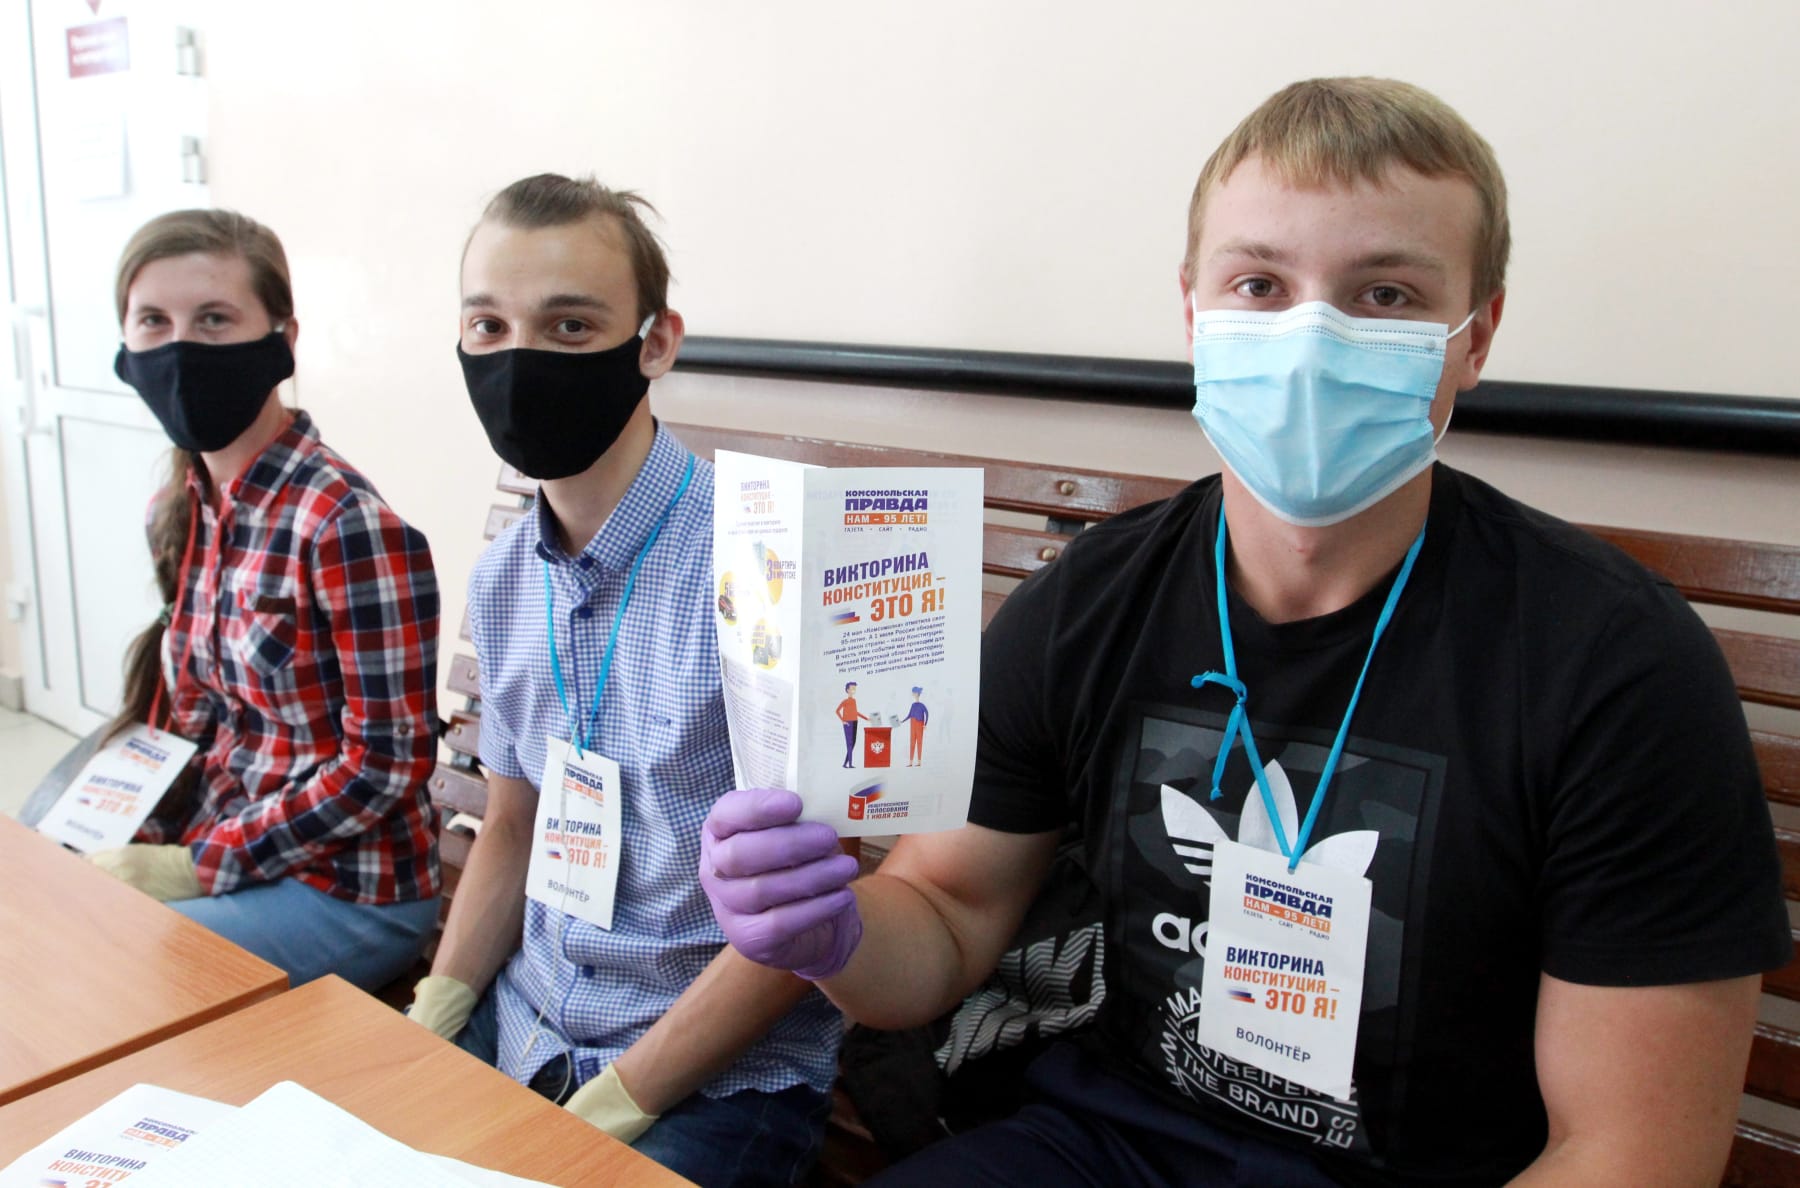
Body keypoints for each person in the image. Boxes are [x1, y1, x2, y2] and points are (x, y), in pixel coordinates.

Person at [697, 78, 1792, 1186]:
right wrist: (829, 934)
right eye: (1260, 284)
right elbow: (945, 913)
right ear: (1194, 314)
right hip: (1104, 1147)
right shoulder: (1094, 600)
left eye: (1385, 294)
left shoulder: (1615, 663)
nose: (1311, 338)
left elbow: (1634, 1152)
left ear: (1477, 336)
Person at [405, 174, 837, 1187]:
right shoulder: (506, 576)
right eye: (488, 325)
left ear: (655, 343)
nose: (520, 360)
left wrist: (619, 1102)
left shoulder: (765, 569)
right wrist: (437, 1012)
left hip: (709, 1078)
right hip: (525, 1024)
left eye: (570, 326)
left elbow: (806, 915)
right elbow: (512, 824)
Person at [96, 209, 442, 990]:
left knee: (112, 969)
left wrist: (196, 866)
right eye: (153, 322)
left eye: (214, 319)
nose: (181, 348)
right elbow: (197, 719)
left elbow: (385, 765)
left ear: (284, 339)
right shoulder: (181, 510)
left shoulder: (345, 525)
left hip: (351, 891)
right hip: (230, 857)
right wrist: (130, 835)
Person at [836, 682, 869, 768]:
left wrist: (866, 718)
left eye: (855, 688)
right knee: (849, 744)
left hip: (855, 722)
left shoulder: (854, 701)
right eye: (852, 688)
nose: (854, 690)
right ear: (848, 690)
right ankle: (849, 764)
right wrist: (843, 720)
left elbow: (856, 712)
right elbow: (837, 711)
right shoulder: (845, 701)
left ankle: (845, 764)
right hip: (848, 723)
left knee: (853, 743)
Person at [904, 687, 927, 766]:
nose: (912, 694)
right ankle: (911, 762)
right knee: (912, 742)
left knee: (919, 742)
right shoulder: (913, 705)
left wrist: (925, 724)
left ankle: (919, 762)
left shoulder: (922, 705)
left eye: (913, 692)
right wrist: (902, 721)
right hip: (912, 724)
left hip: (919, 724)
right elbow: (909, 715)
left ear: (917, 693)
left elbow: (927, 713)